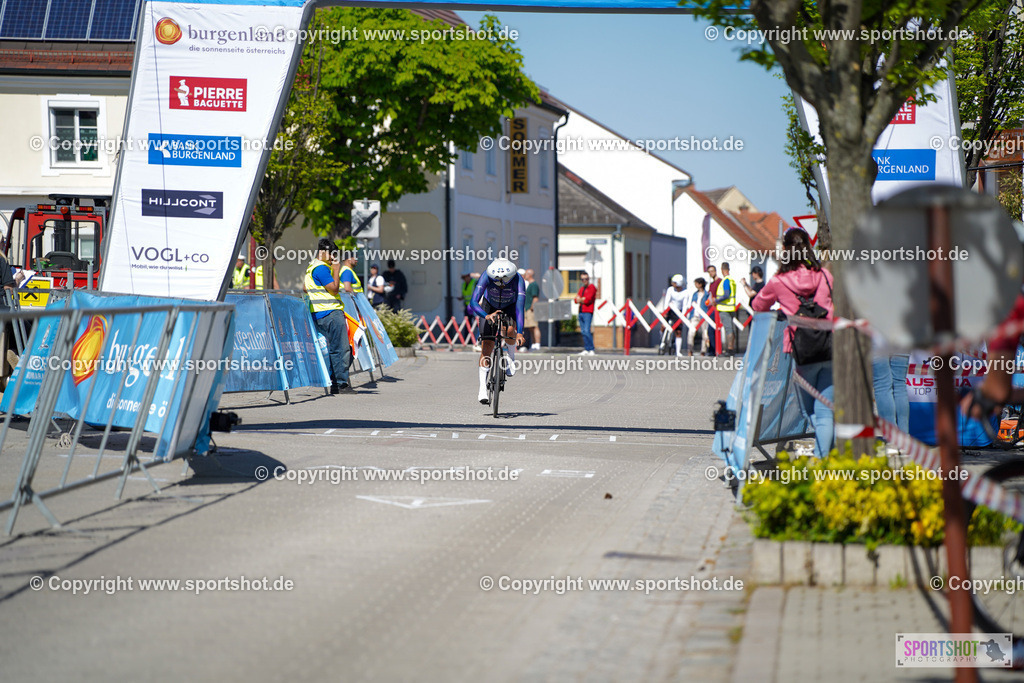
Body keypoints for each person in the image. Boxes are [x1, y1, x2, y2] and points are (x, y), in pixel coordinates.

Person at [751, 228, 835, 458]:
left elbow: (758, 306)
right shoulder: (825, 276)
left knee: (810, 410)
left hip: (802, 349)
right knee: (826, 409)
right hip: (830, 347)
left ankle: (823, 458)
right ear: (808, 247)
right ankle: (826, 460)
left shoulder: (779, 281)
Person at [469, 258, 526, 404]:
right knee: (487, 346)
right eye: (494, 281)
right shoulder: (486, 276)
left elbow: (519, 308)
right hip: (489, 306)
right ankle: (482, 389)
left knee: (510, 329)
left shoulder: (518, 280)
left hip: (510, 306)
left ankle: (510, 357)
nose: (498, 285)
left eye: (501, 282)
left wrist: (520, 332)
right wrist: (486, 315)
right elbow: (473, 302)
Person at [304, 237, 351, 394]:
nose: (333, 258)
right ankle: (341, 384)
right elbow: (334, 289)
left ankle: (334, 382)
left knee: (332, 349)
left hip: (318, 313)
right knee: (341, 348)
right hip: (330, 311)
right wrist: (336, 270)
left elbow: (305, 288)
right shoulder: (322, 269)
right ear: (323, 253)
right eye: (331, 254)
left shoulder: (311, 267)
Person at [662, 274, 689, 357]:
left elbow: (685, 305)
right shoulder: (670, 290)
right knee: (663, 326)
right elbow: (667, 300)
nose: (673, 284)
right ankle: (662, 341)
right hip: (670, 310)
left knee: (678, 332)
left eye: (674, 283)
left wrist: (683, 316)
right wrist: (665, 311)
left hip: (679, 312)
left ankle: (678, 351)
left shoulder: (685, 292)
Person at [715, 262, 740, 355]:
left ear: (722, 270)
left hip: (724, 308)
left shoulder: (726, 281)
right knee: (730, 328)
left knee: (728, 329)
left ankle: (729, 350)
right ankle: (731, 349)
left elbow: (726, 294)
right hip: (731, 308)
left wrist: (716, 301)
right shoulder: (732, 280)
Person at [574, 272, 597, 355]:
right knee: (583, 331)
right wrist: (580, 299)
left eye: (586, 279)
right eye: (583, 279)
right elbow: (575, 300)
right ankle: (586, 348)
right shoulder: (581, 289)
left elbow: (588, 299)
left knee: (587, 330)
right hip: (581, 311)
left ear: (588, 279)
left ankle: (591, 349)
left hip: (588, 312)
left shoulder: (592, 287)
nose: (584, 281)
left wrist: (581, 299)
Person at [686, 277, 710, 356]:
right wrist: (690, 316)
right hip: (695, 316)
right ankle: (690, 349)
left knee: (704, 334)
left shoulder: (707, 294)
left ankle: (703, 351)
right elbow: (691, 305)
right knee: (691, 333)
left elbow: (708, 305)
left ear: (700, 284)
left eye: (696, 283)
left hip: (703, 316)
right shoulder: (695, 294)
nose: (695, 285)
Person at [522, 269, 541, 350]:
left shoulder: (533, 285)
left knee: (534, 326)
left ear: (529, 275)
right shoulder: (529, 284)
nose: (525, 275)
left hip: (531, 308)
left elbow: (535, 297)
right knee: (530, 327)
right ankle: (533, 344)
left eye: (526, 274)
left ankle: (537, 343)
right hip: (527, 308)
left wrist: (532, 307)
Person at [706, 265, 720, 356]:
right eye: (709, 272)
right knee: (710, 331)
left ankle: (715, 350)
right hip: (710, 309)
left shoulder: (719, 282)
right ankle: (712, 350)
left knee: (713, 330)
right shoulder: (711, 284)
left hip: (717, 309)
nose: (711, 273)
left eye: (712, 271)